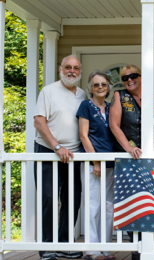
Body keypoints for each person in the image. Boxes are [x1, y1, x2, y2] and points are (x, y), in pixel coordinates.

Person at [33, 55, 86, 260]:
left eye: (75, 68)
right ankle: (47, 246)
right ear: (60, 69)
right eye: (68, 67)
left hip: (74, 155)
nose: (72, 71)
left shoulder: (82, 94)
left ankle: (64, 243)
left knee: (73, 198)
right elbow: (39, 122)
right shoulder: (48, 91)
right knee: (48, 198)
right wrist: (56, 147)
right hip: (49, 151)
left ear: (79, 72)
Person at [109, 65, 154, 260]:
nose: (129, 80)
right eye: (125, 78)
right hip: (130, 159)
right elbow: (114, 125)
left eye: (133, 76)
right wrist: (128, 148)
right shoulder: (119, 96)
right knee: (133, 202)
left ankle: (149, 243)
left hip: (153, 158)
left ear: (141, 76)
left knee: (152, 201)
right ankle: (136, 247)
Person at [77, 71, 116, 260]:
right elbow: (83, 135)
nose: (100, 87)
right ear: (90, 88)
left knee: (109, 207)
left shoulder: (110, 107)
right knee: (94, 206)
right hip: (93, 164)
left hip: (110, 163)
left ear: (108, 87)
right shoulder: (86, 106)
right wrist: (95, 161)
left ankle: (106, 246)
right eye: (96, 85)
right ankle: (92, 249)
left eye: (103, 84)